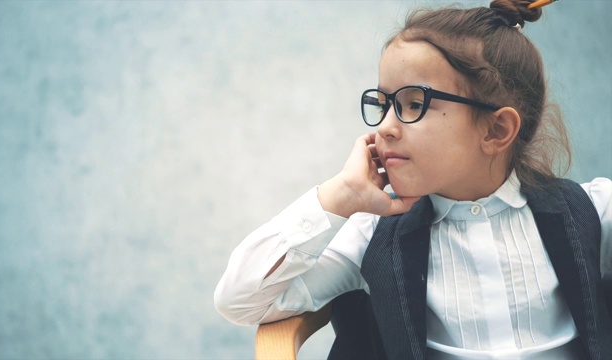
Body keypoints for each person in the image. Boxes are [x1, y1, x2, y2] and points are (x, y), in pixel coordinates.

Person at [214, 0, 612, 359]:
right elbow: (240, 300)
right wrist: (340, 195)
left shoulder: (594, 211)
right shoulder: (372, 235)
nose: (384, 127)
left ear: (495, 131)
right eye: (383, 104)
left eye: (413, 105)